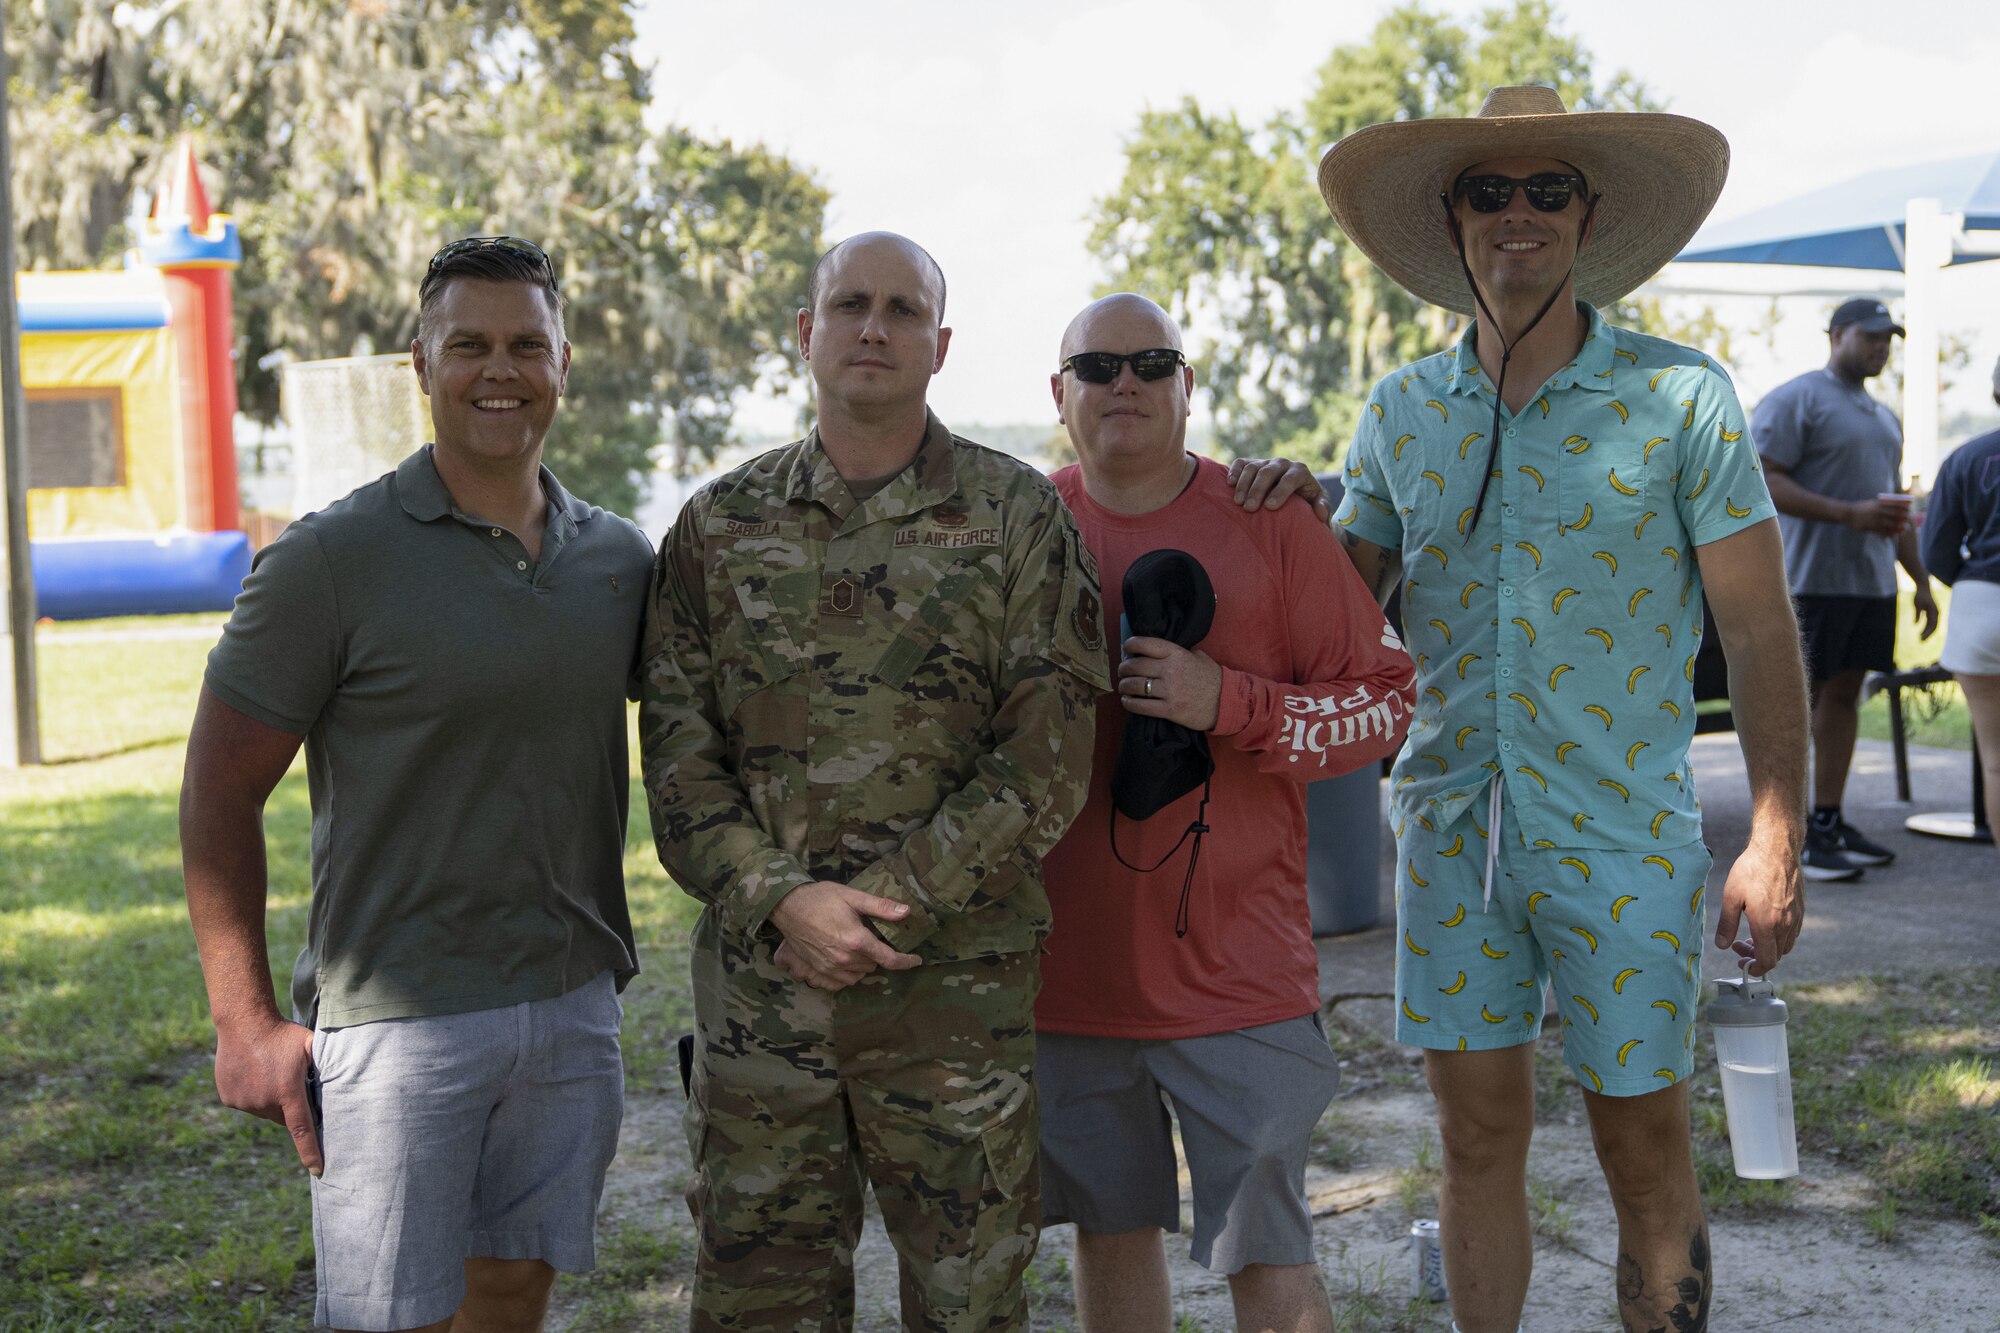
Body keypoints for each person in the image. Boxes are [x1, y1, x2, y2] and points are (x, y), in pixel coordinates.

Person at [1314, 86, 1808, 1333]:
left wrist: (1773, 833)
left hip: (1622, 838)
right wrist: (1260, 506)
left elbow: (1755, 630)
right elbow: (1326, 616)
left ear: (1587, 218)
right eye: (1490, 191)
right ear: (1452, 219)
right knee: (1472, 1139)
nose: (1518, 214)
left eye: (1547, 191)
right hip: (1449, 837)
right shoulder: (1398, 413)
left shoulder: (1680, 399)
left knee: (1642, 1148)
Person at [180, 236, 652, 1332]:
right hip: (396, 1020)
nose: (500, 369)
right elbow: (217, 793)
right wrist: (243, 1022)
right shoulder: (329, 560)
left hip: (572, 1001)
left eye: (525, 344)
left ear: (564, 363)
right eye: (469, 344)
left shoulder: (617, 559)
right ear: (420, 366)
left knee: (510, 1295)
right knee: (386, 1319)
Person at [640, 231, 1108, 1331]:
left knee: (968, 1304)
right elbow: (675, 756)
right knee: (761, 1302)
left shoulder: (1015, 517)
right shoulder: (719, 525)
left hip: (951, 1005)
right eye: (849, 303)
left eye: (903, 310)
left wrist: (884, 906)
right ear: (804, 332)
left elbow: (1045, 754)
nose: (873, 326)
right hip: (765, 1008)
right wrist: (783, 901)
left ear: (938, 347)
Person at [1033, 294, 1415, 1333]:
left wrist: (1231, 701)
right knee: (1104, 1234)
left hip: (1236, 979)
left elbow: (1383, 702)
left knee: (1267, 1247)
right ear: (1057, 393)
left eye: (1151, 363)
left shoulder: (1270, 519)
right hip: (1067, 977)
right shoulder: (1025, 526)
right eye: (1098, 365)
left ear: (1186, 388)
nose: (1125, 383)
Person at [1752, 296, 1939, 880]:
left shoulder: (1884, 416)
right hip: (1807, 581)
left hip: (1868, 584)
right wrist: (1847, 515)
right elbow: (1762, 478)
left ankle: (1827, 819)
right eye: (1871, 336)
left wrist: (1922, 583)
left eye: (1888, 339)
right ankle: (1787, 833)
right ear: (1836, 335)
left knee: (1845, 697)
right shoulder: (1796, 399)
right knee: (1795, 703)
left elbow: (1895, 511)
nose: (1881, 348)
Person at [1920, 353, 2000, 844]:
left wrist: (1970, 582)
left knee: (1995, 759)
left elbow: (1936, 551)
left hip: (1980, 606)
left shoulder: (1966, 458)